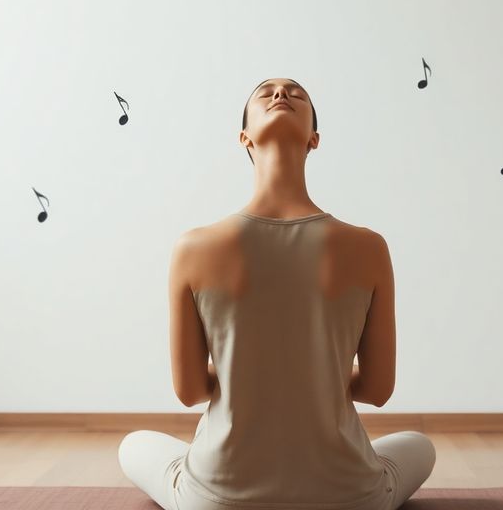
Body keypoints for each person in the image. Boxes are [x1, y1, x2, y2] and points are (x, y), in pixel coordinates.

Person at [118, 78, 435, 510]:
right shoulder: (368, 247)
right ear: (244, 137)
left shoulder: (193, 247)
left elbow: (190, 390)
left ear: (315, 139)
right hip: (350, 497)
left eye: (295, 92)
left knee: (133, 444)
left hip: (218, 499)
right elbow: (378, 389)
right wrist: (312, 370)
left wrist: (253, 371)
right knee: (419, 445)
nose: (282, 94)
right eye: (267, 92)